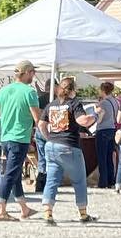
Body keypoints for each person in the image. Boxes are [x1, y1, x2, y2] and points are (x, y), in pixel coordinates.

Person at [0, 59, 41, 221]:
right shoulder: (30, 92)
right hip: (20, 138)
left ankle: (24, 208)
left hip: (5, 139)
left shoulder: (3, 91)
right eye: (33, 72)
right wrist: (45, 136)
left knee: (14, 173)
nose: (34, 76)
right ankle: (1, 209)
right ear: (27, 72)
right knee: (11, 173)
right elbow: (37, 117)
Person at [40, 76, 98, 225]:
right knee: (79, 180)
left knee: (52, 180)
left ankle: (48, 214)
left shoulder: (51, 105)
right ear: (72, 90)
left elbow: (41, 124)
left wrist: (49, 137)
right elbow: (83, 121)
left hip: (51, 146)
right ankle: (83, 214)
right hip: (69, 147)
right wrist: (96, 116)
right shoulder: (74, 104)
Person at [93, 79, 120, 191]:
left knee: (102, 157)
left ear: (103, 90)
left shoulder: (103, 102)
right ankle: (111, 180)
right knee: (109, 157)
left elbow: (98, 114)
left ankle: (102, 182)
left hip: (103, 130)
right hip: (112, 129)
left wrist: (95, 108)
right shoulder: (115, 101)